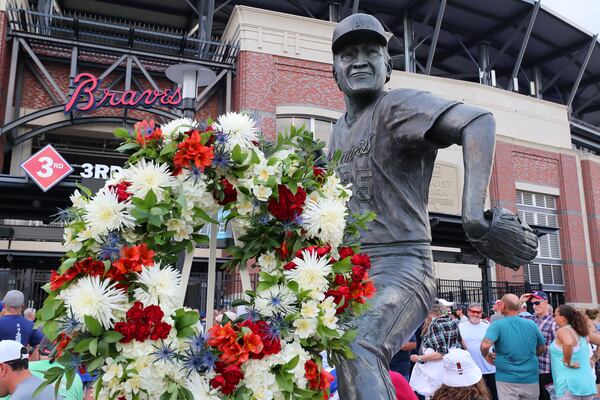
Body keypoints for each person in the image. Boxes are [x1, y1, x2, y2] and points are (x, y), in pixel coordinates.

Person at [327, 13, 538, 399]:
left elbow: (477, 122)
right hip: (352, 269)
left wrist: (473, 216)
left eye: (371, 52)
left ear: (387, 67)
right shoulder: (337, 131)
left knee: (357, 345)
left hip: (402, 263)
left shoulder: (397, 106)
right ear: (335, 71)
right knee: (327, 347)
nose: (359, 61)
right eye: (348, 54)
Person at [481, 294, 546, 400]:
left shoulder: (497, 325)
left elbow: (485, 345)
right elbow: (542, 348)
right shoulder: (532, 324)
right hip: (530, 378)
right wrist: (531, 354)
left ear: (502, 306)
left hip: (506, 379)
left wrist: (487, 356)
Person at [549, 305, 597, 400]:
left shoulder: (562, 331)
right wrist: (594, 359)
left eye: (555, 315)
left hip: (569, 387)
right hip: (587, 386)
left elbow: (568, 343)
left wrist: (567, 362)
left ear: (562, 318)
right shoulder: (582, 332)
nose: (553, 317)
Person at [518, 291, 557, 400]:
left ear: (545, 302)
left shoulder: (553, 323)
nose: (534, 306)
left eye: (537, 303)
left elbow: (560, 348)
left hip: (547, 371)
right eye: (532, 304)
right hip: (532, 370)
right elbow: (511, 317)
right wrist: (520, 301)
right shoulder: (531, 320)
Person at [459, 302, 498, 400]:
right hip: (469, 370)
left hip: (488, 370)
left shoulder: (488, 327)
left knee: (492, 396)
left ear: (481, 314)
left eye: (478, 312)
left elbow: (497, 344)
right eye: (473, 311)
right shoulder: (460, 327)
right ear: (468, 312)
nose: (475, 314)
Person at [0, 291, 43, 356]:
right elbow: (38, 345)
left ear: (4, 305)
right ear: (23, 306)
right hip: (21, 364)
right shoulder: (30, 325)